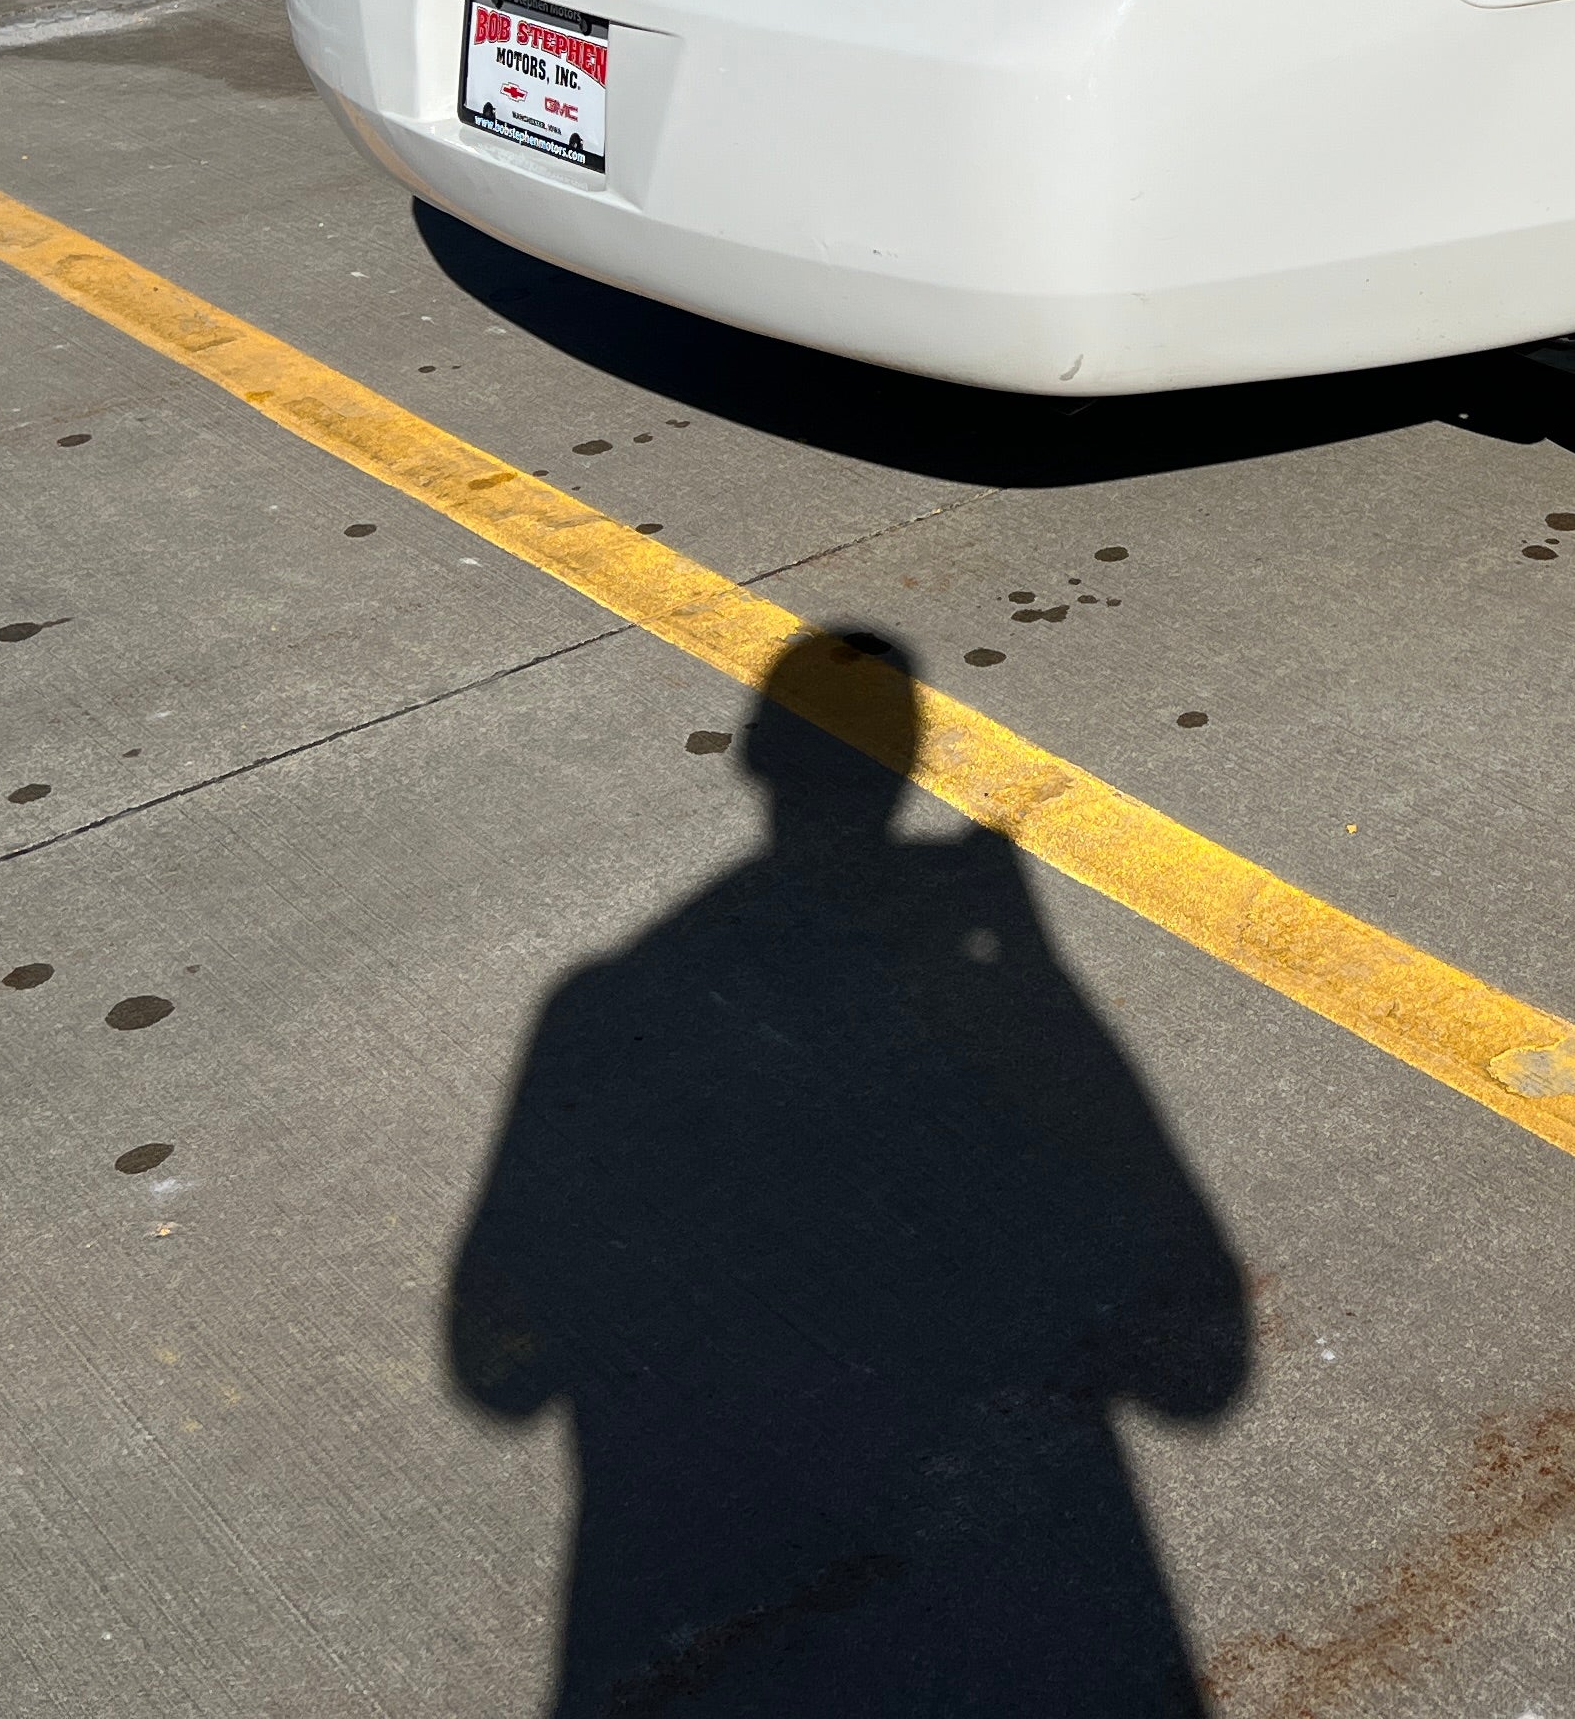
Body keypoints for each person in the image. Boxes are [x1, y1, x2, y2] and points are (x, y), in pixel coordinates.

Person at [448, 639, 1248, 1717]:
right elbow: (1197, 1371)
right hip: (1006, 1606)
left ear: (757, 762)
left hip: (709, 1596)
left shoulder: (601, 1010)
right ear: (905, 767)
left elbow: (498, 1368)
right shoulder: (979, 995)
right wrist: (1029, 973)